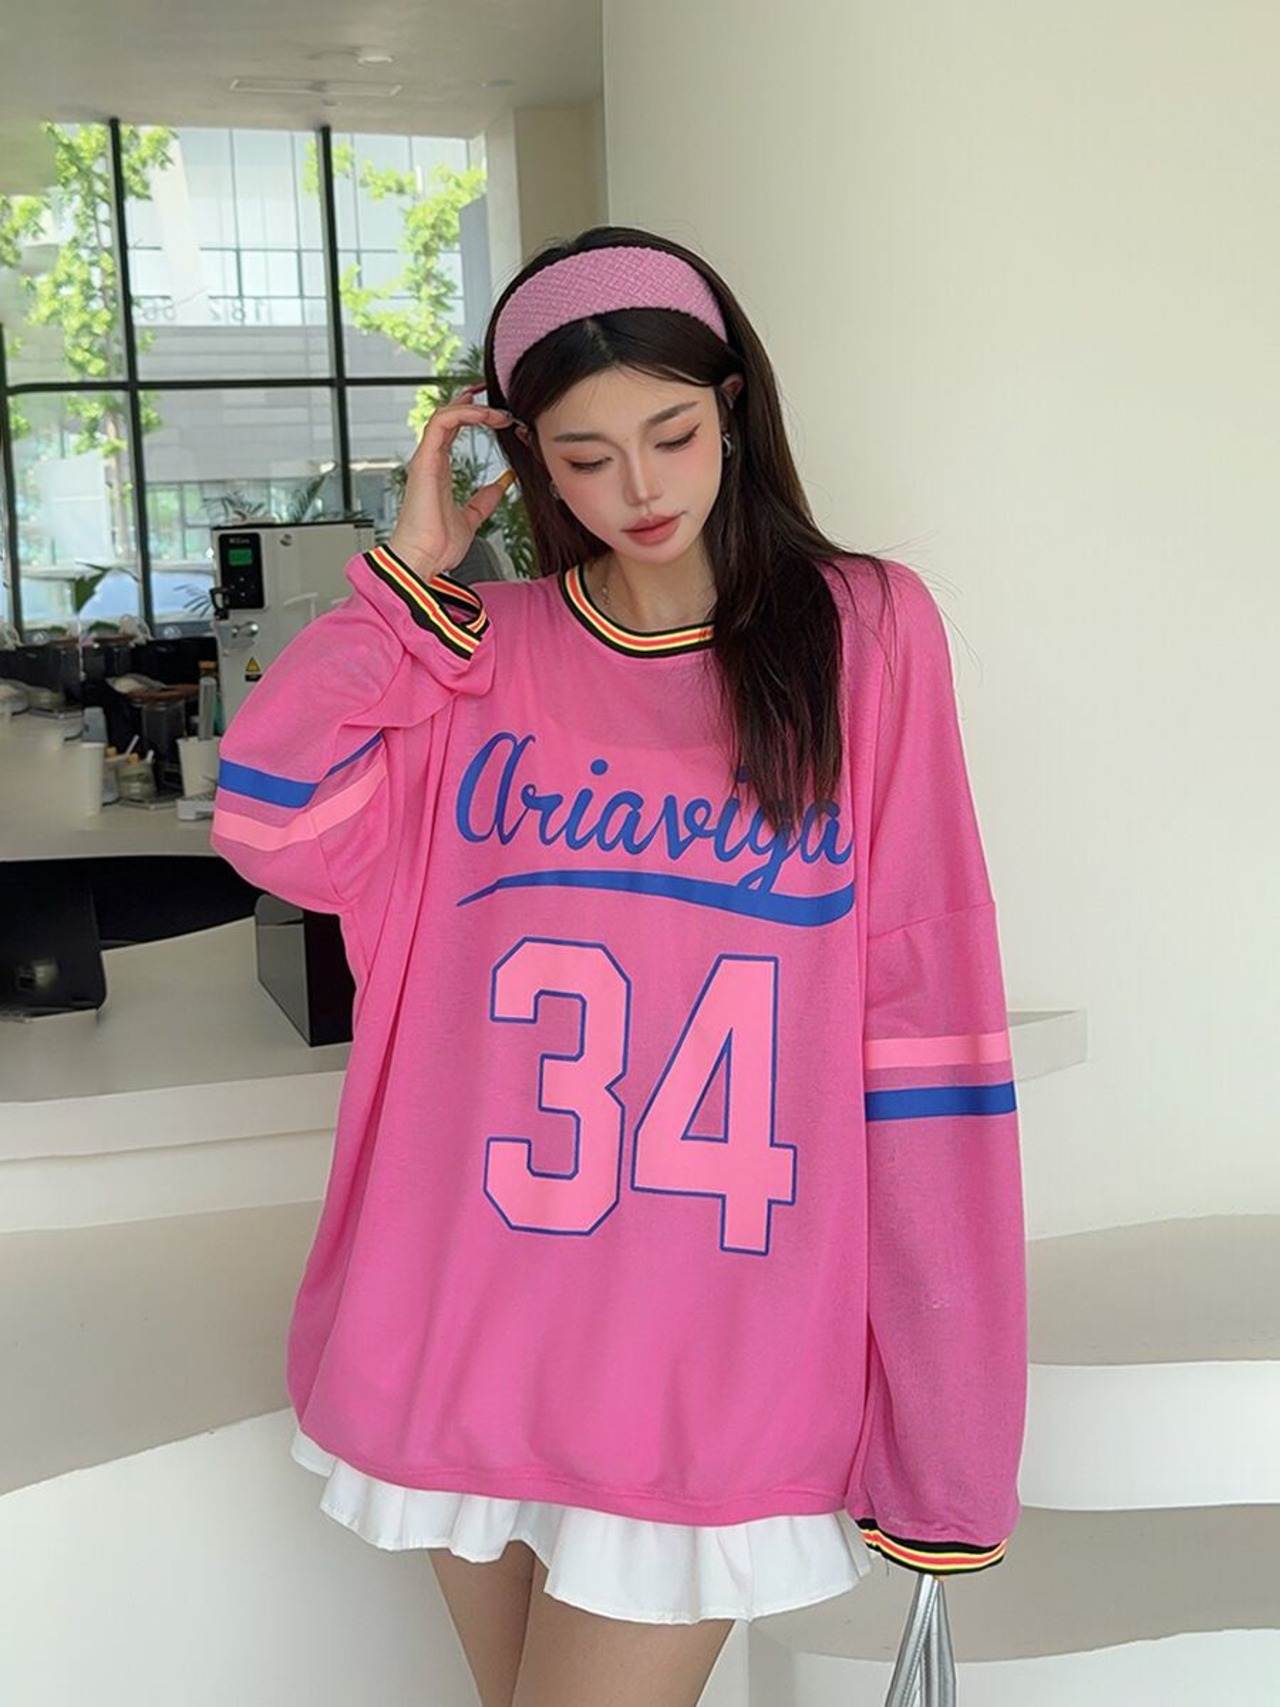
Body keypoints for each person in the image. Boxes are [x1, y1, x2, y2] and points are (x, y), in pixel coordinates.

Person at [210, 225, 1026, 1707]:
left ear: (734, 409)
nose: (641, 488)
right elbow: (271, 822)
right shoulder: (469, 649)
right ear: (526, 461)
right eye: (586, 457)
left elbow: (925, 1013)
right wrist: (403, 582)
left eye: (673, 433)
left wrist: (946, 1413)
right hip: (467, 1322)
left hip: (717, 1361)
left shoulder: (867, 632)